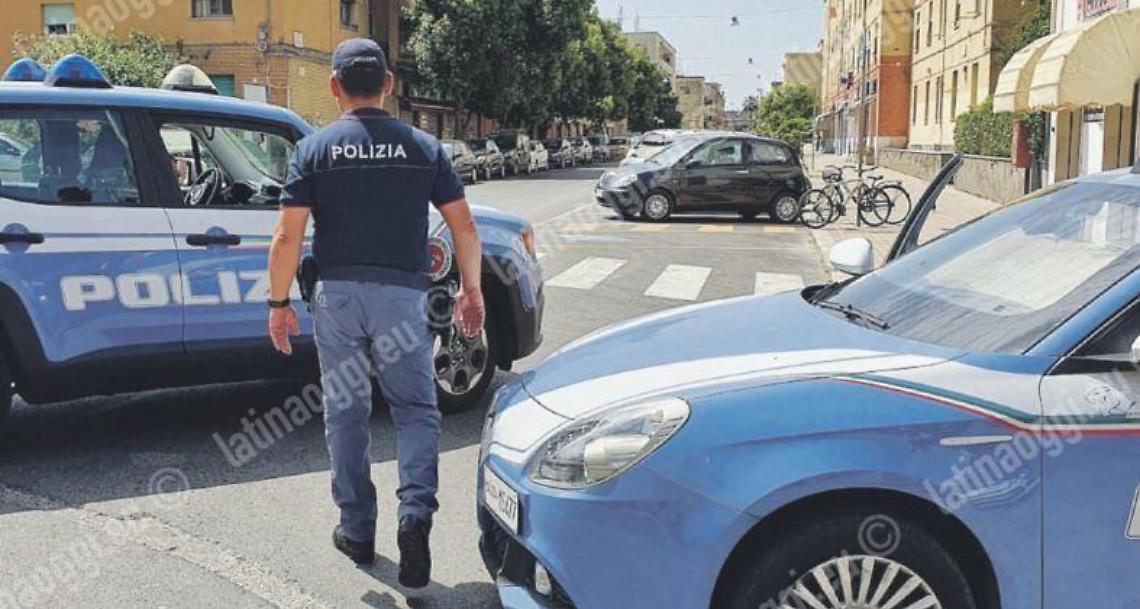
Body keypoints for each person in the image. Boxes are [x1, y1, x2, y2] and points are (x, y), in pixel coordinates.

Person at [266, 38, 484, 589]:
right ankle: (415, 517)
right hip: (402, 299)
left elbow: (287, 234)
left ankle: (357, 530)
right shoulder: (424, 147)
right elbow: (464, 226)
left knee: (345, 413)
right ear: (388, 85)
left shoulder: (314, 150)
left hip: (337, 296)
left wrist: (278, 303)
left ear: (335, 87)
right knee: (415, 409)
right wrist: (472, 291)